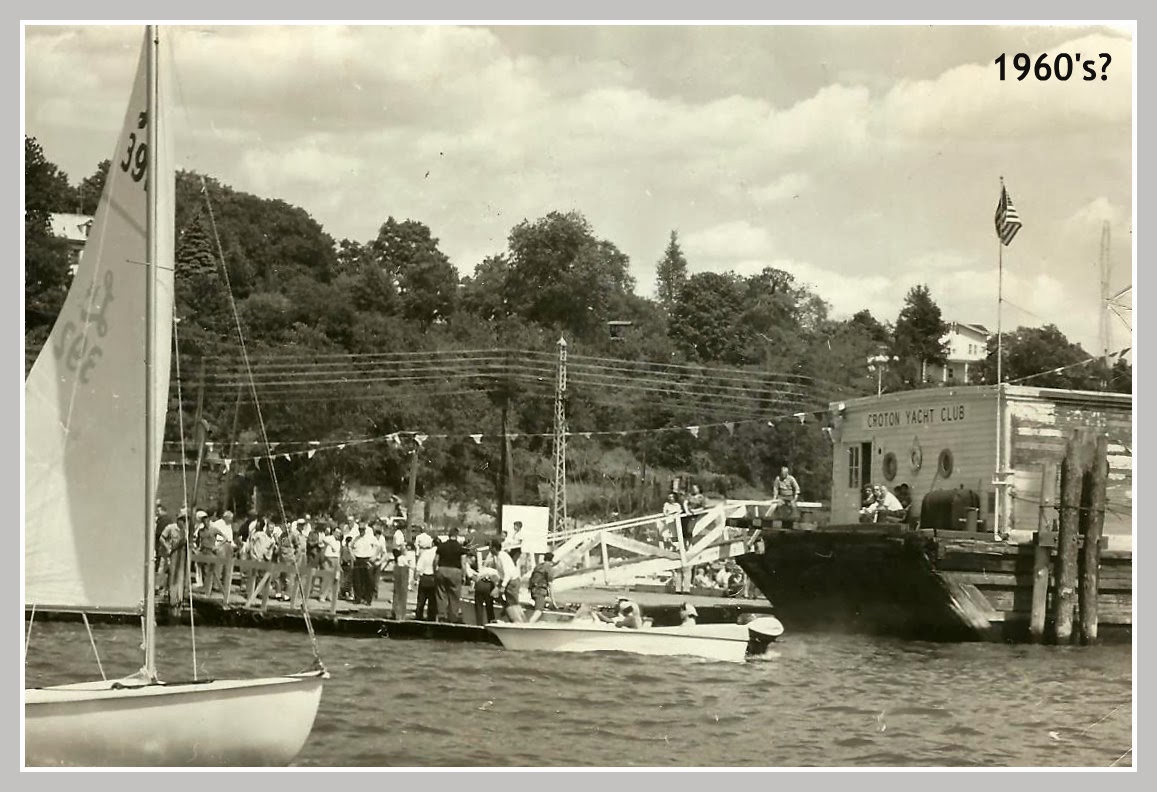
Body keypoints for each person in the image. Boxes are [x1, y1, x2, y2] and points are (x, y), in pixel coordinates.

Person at [434, 528, 470, 623]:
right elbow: (463, 563)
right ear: (457, 535)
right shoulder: (460, 548)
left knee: (441, 594)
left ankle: (441, 616)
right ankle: (453, 617)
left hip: (442, 570)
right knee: (454, 595)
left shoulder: (441, 546)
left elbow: (436, 560)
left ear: (448, 535)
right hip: (455, 571)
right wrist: (464, 575)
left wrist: (436, 571)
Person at [490, 538, 524, 622]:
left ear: (494, 548)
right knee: (493, 594)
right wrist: (499, 585)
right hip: (504, 580)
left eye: (490, 547)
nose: (489, 549)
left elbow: (508, 573)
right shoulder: (496, 557)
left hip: (512, 581)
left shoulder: (502, 556)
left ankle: (517, 620)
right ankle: (505, 608)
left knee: (513, 602)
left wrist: (503, 586)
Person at [350, 523, 378, 605]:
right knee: (357, 581)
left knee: (369, 581)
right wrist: (352, 555)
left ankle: (368, 599)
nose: (361, 531)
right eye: (360, 529)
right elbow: (350, 546)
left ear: (365, 530)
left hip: (367, 559)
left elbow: (378, 547)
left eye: (362, 529)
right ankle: (358, 598)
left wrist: (374, 556)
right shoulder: (356, 538)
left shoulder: (370, 538)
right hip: (358, 559)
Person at [413, 533, 439, 621]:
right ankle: (431, 618)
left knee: (421, 600)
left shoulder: (425, 553)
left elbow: (418, 567)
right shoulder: (439, 554)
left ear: (432, 544)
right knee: (432, 601)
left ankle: (418, 617)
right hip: (434, 578)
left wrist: (415, 578)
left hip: (424, 578)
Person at [526, 552, 557, 623]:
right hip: (540, 591)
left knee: (542, 603)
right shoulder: (549, 568)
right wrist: (553, 601)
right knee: (538, 611)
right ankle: (529, 625)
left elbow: (531, 579)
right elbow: (550, 585)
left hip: (533, 591)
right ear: (551, 560)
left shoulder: (538, 566)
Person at [472, 554, 501, 625]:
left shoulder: (483, 569)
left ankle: (479, 624)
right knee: (489, 606)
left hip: (479, 584)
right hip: (488, 585)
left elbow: (477, 579)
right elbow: (495, 582)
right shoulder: (496, 572)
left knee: (479, 607)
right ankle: (491, 623)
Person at [771, 465, 801, 529]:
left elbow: (797, 488)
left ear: (787, 473)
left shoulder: (791, 479)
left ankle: (795, 520)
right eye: (782, 473)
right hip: (781, 496)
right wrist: (774, 497)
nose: (783, 475)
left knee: (793, 506)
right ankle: (778, 519)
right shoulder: (778, 479)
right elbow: (775, 488)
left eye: (784, 474)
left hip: (790, 496)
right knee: (778, 506)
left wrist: (795, 497)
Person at [391, 542, 415, 620]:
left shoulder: (402, 557)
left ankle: (398, 613)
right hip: (401, 573)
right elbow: (406, 564)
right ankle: (399, 613)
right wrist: (411, 566)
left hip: (403, 573)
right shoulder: (401, 557)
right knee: (400, 593)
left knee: (400, 593)